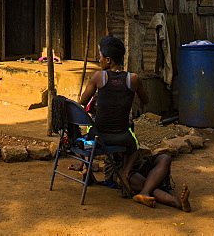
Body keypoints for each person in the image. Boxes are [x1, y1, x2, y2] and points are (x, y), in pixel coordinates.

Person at [78, 35, 192, 211]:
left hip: (111, 144)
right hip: (120, 157)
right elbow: (145, 100)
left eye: (100, 56)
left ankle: (145, 193)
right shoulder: (133, 79)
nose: (98, 59)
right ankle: (175, 201)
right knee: (147, 173)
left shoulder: (98, 78)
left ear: (108, 60)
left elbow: (82, 101)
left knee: (163, 158)